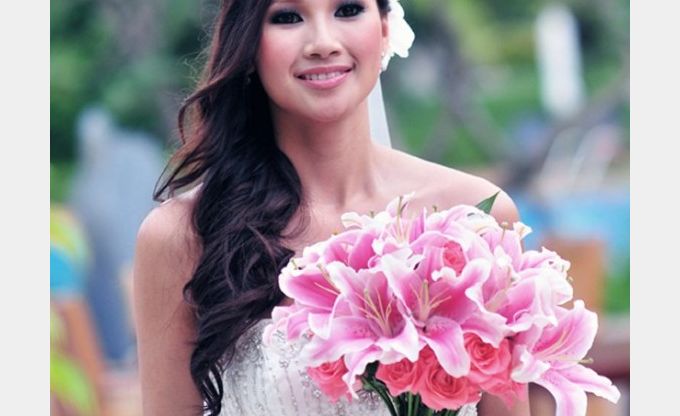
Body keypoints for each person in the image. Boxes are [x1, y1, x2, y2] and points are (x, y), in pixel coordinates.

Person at [132, 1, 531, 415]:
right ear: (248, 43)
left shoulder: (477, 219)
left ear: (385, 28)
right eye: (288, 17)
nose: (323, 43)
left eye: (348, 9)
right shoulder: (182, 235)